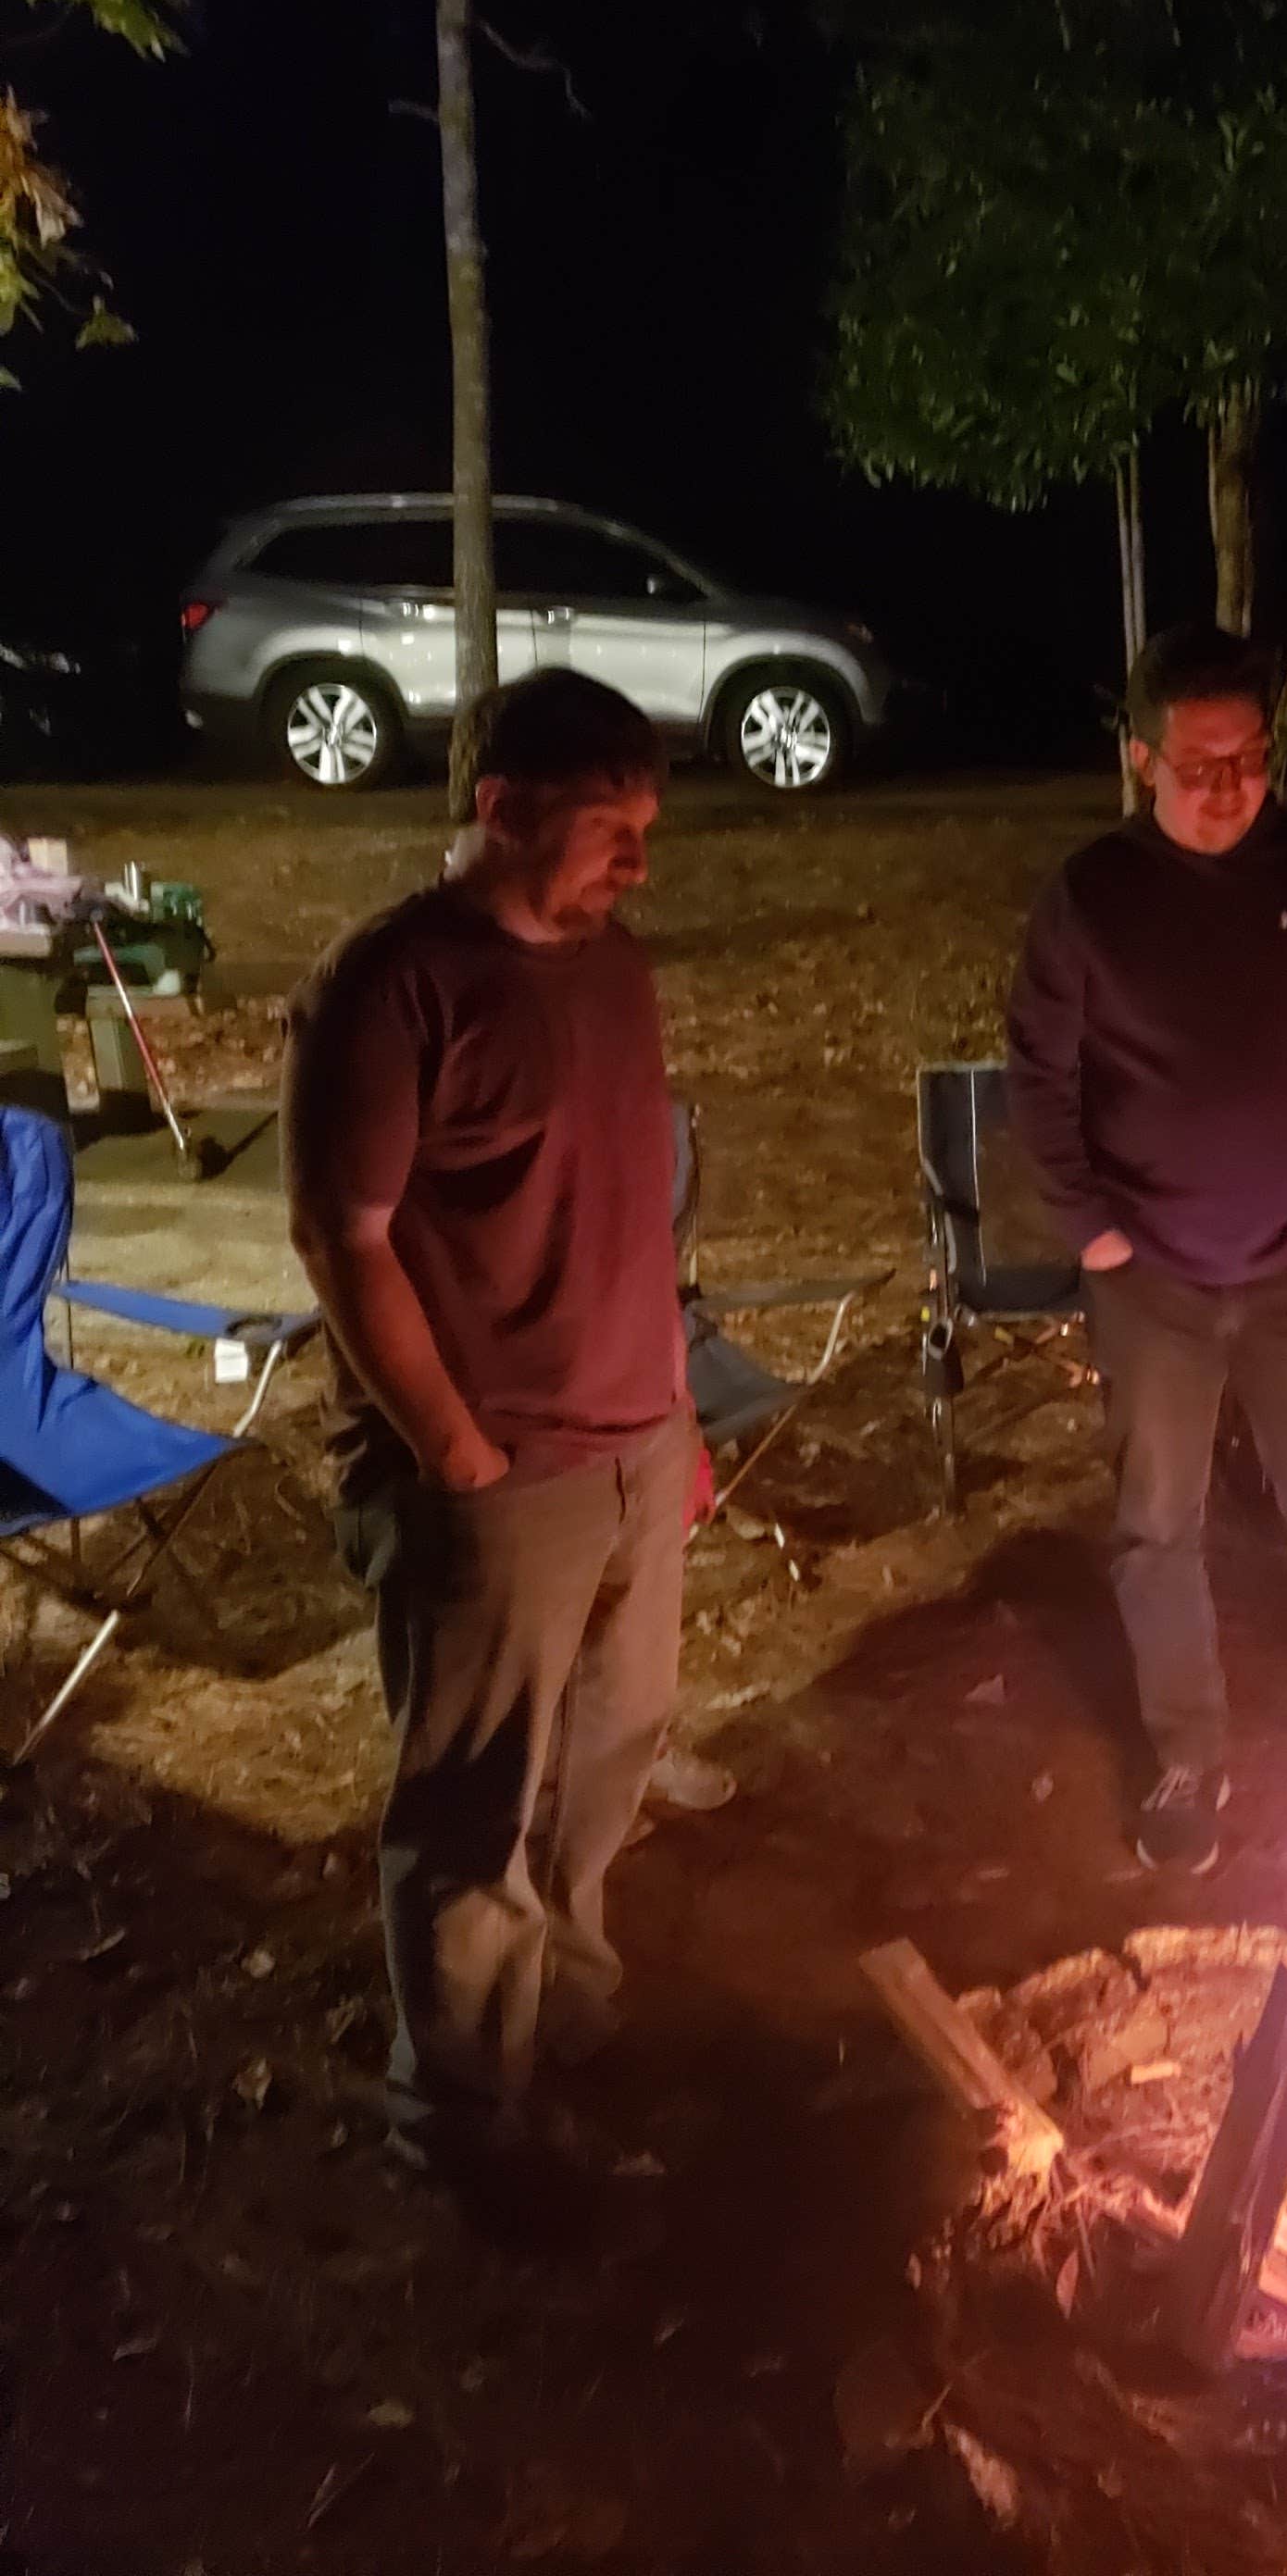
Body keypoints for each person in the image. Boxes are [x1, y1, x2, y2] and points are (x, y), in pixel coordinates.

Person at [282, 669, 694, 2215]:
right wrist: (452, 1449)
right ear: (501, 809)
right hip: (495, 1468)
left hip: (634, 1441)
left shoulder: (617, 972)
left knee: (612, 1740)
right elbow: (345, 1234)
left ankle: (568, 2007)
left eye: (646, 832)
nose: (634, 866)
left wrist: (670, 1413)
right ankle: (459, 2120)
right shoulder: (394, 988)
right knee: (471, 1800)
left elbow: (631, 1205)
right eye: (608, 831)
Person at [1006, 622, 1287, 1877]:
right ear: (1142, 759)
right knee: (1158, 1527)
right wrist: (1095, 1230)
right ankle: (1190, 1755)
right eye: (1200, 763)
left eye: (1250, 757)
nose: (1230, 785)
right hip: (1157, 1285)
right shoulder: (1094, 899)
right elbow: (1040, 1075)